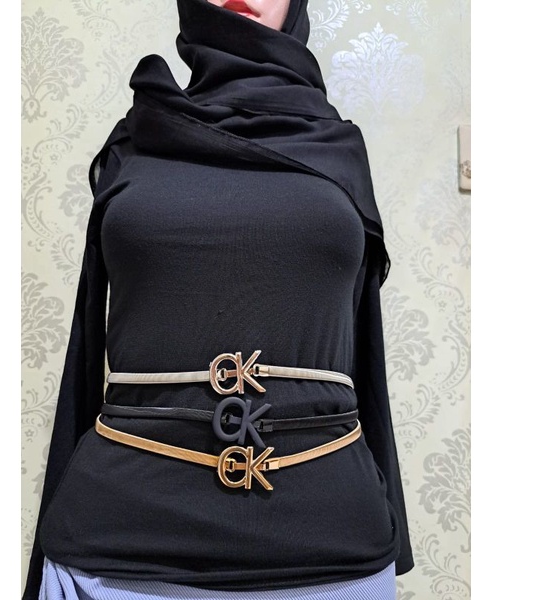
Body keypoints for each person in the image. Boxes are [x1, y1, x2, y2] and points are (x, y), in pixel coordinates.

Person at [22, 1, 415, 598]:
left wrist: (392, 511)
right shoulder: (137, 140)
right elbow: (85, 346)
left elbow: (364, 352)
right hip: (117, 549)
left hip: (332, 547)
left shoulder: (338, 149)